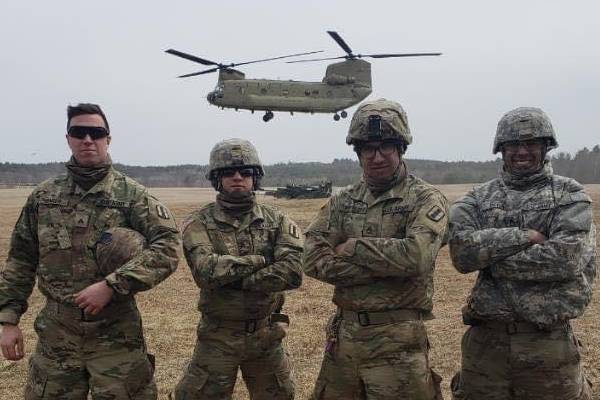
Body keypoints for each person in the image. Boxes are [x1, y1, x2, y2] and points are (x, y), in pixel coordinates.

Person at [0, 103, 180, 399]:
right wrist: (8, 320)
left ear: (108, 139)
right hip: (57, 333)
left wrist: (113, 284)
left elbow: (168, 247)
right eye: (78, 132)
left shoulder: (132, 195)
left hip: (116, 333)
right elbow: (20, 258)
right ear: (68, 138)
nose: (87, 139)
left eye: (96, 133)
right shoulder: (44, 196)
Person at [303, 99, 448, 400]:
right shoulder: (344, 201)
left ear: (400, 148)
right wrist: (387, 268)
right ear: (358, 153)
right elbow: (313, 257)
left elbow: (416, 256)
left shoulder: (425, 199)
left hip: (398, 343)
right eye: (368, 148)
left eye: (386, 147)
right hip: (344, 341)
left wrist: (352, 247)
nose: (377, 157)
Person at [449, 107, 596, 400]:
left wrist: (492, 260)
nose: (522, 151)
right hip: (486, 346)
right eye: (513, 144)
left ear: (546, 147)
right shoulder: (479, 198)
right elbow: (461, 254)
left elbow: (565, 259)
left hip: (547, 344)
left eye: (531, 144)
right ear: (501, 149)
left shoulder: (569, 195)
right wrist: (524, 237)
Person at [173, 138, 303, 400]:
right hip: (217, 337)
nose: (237, 177)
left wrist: (231, 277)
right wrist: (262, 261)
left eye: (245, 172)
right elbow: (206, 272)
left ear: (255, 178)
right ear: (216, 179)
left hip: (266, 335)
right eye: (228, 173)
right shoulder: (199, 222)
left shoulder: (277, 220)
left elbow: (292, 272)